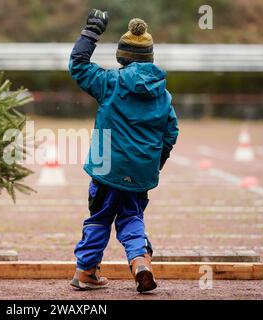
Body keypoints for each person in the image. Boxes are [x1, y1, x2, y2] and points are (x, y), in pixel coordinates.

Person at [68, 9, 179, 293]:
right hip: (140, 171)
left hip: (107, 168)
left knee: (100, 217)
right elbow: (171, 134)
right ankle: (140, 260)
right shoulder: (163, 96)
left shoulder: (110, 83)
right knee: (131, 217)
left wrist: (92, 31)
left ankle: (86, 272)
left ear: (122, 57)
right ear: (150, 58)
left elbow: (78, 65)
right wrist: (154, 163)